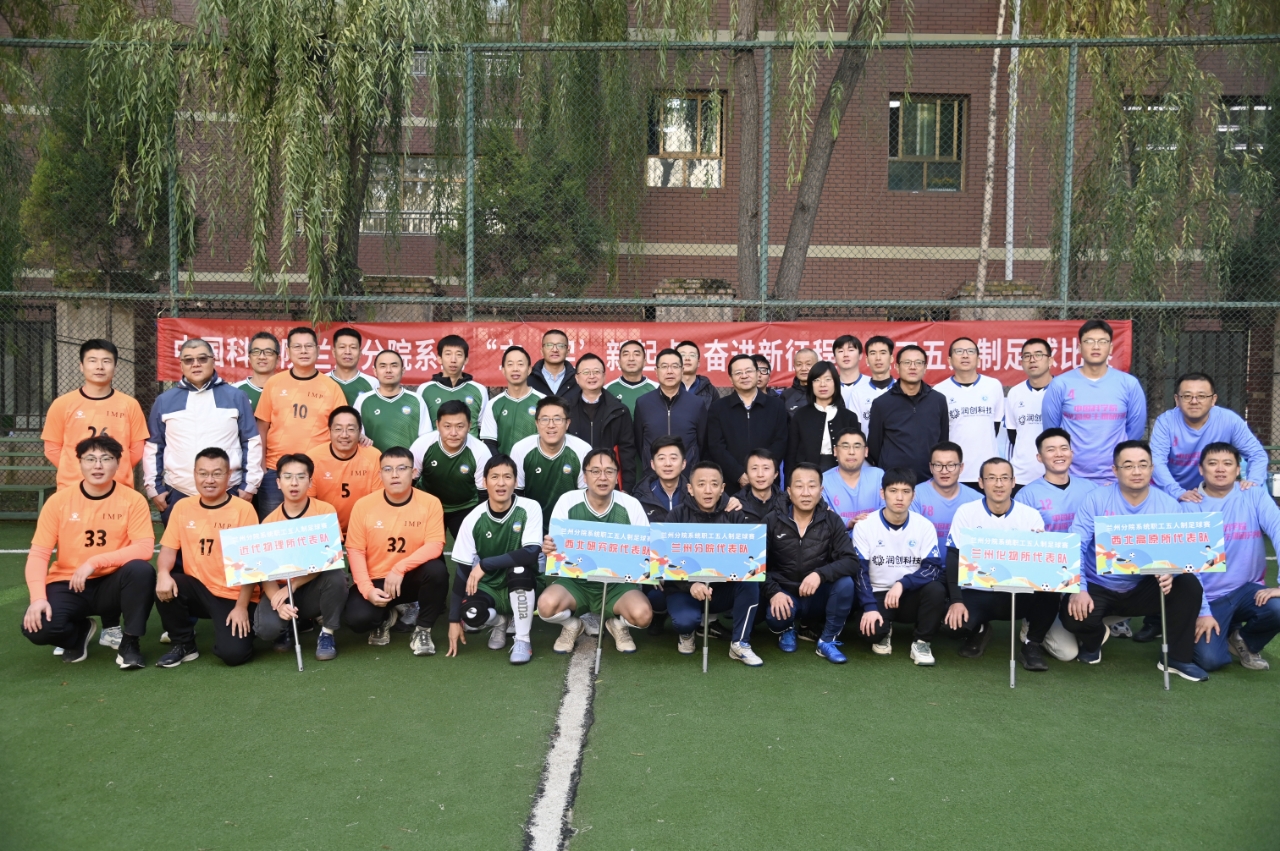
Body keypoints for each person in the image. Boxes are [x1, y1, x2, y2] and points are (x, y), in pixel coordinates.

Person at [1061, 441, 1206, 680]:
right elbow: (1076, 544)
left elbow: (1183, 555)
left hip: (1143, 586)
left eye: (1143, 465)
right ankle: (1094, 639)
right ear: (1115, 470)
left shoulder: (1168, 505)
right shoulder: (1096, 499)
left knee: (1188, 584)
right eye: (1128, 466)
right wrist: (1080, 589)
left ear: (1152, 469)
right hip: (1100, 584)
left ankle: (1177, 658)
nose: (1136, 471)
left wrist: (1172, 571)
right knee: (1074, 617)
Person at [21, 435, 155, 669]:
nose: (98, 465)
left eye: (106, 459)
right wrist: (38, 599)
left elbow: (144, 548)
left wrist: (95, 561)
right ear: (80, 463)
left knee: (141, 570)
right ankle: (79, 633)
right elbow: (39, 554)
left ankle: (130, 643)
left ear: (118, 463)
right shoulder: (58, 502)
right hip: (69, 582)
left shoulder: (133, 500)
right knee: (37, 628)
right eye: (90, 459)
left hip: (112, 583)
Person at [942, 458, 1058, 671]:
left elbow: (1042, 567)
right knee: (951, 628)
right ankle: (979, 630)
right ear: (981, 482)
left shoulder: (1030, 516)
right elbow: (953, 557)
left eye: (1004, 478)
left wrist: (1038, 547)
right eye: (991, 478)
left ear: (1013, 482)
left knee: (1051, 589)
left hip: (1018, 593)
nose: (998, 484)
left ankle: (1032, 644)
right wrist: (956, 601)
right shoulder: (966, 512)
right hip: (977, 590)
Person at [154, 447, 261, 667]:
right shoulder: (182, 507)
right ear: (194, 474)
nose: (209, 480)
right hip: (199, 590)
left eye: (216, 473)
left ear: (228, 476)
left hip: (233, 595)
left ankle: (246, 627)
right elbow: (168, 550)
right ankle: (184, 644)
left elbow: (250, 566)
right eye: (203, 473)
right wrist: (163, 573)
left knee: (233, 655)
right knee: (167, 582)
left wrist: (241, 607)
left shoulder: (243, 509)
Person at [539, 449, 653, 654]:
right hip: (576, 583)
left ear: (617, 476)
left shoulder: (630, 505)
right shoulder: (568, 501)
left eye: (609, 471)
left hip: (618, 585)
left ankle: (618, 625)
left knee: (643, 615)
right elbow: (555, 547)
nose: (602, 477)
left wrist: (652, 565)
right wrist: (549, 548)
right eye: (595, 471)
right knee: (546, 606)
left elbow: (646, 548)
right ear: (585, 476)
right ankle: (572, 625)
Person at [144, 338, 262, 528]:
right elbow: (153, 447)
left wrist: (249, 486)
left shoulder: (236, 396)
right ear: (181, 364)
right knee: (180, 548)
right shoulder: (164, 401)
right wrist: (154, 488)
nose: (196, 364)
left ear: (213, 360)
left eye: (202, 359)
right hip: (179, 492)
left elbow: (252, 442)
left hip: (229, 490)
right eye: (188, 360)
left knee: (228, 548)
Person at [342, 446, 448, 655]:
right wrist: (367, 589)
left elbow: (435, 545)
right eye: (388, 469)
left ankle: (423, 629)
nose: (395, 475)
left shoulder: (430, 503)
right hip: (377, 580)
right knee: (357, 620)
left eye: (402, 468)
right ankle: (387, 615)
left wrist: (400, 568)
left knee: (437, 570)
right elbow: (355, 550)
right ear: (380, 474)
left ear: (414, 472)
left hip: (411, 578)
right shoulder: (363, 505)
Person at [1187, 443, 1280, 672]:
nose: (1220, 469)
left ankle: (1244, 640)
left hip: (1248, 591)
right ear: (1201, 469)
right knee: (1211, 661)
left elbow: (1278, 531)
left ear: (1238, 470)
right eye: (1212, 463)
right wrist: (1203, 611)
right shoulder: (1190, 506)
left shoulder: (1254, 495)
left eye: (1227, 464)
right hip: (1210, 598)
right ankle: (1217, 627)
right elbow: (1190, 567)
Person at [662, 461, 764, 666]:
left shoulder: (734, 513)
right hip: (685, 591)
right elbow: (665, 563)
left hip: (720, 590)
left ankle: (740, 643)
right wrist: (691, 584)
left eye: (714, 484)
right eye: (701, 484)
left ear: (722, 488)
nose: (708, 490)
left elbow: (749, 557)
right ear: (690, 488)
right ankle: (688, 633)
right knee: (684, 621)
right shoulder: (677, 516)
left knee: (751, 579)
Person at [447, 455, 544, 664]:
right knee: (470, 614)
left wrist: (485, 564)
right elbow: (462, 570)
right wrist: (454, 620)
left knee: (519, 570)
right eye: (494, 477)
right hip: (490, 586)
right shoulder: (473, 518)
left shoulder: (530, 508)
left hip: (526, 582)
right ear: (484, 482)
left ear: (516, 482)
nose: (501, 483)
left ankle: (523, 639)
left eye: (507, 477)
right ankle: (500, 622)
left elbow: (530, 553)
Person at [254, 453, 347, 661]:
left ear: (310, 482)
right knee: (265, 629)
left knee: (336, 576)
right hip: (282, 588)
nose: (294, 483)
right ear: (278, 483)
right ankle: (286, 625)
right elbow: (264, 573)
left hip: (312, 586)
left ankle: (327, 633)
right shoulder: (269, 523)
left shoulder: (324, 512)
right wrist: (278, 602)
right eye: (287, 477)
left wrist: (294, 585)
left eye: (301, 477)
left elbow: (330, 559)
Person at [763, 462, 858, 663]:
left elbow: (851, 561)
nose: (806, 493)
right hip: (786, 593)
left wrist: (820, 574)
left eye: (812, 486)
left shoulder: (832, 520)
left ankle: (827, 640)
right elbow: (754, 565)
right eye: (799, 486)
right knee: (775, 616)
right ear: (789, 491)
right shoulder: (772, 520)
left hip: (817, 595)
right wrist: (774, 592)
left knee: (845, 584)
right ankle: (787, 629)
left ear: (821, 491)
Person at [852, 468, 947, 666]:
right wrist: (869, 607)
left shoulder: (924, 526)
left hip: (910, 593)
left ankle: (922, 642)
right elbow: (859, 571)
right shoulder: (865, 526)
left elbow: (933, 568)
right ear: (882, 493)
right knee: (872, 634)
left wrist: (902, 584)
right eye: (893, 491)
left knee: (936, 589)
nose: (899, 497)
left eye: (905, 491)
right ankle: (885, 629)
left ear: (913, 495)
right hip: (878, 593)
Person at [255, 327, 347, 519]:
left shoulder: (331, 387)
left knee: (316, 529)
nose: (303, 351)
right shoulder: (274, 383)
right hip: (276, 471)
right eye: (297, 347)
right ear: (288, 352)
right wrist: (262, 467)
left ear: (318, 350)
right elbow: (261, 427)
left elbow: (342, 428)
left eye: (308, 346)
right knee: (274, 529)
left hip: (318, 472)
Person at [1041, 319, 1146, 484]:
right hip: (1071, 478)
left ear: (1111, 348)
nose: (1096, 347)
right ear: (1079, 347)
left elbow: (1135, 431)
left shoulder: (1129, 384)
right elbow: (1052, 433)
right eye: (1089, 341)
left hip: (1116, 478)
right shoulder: (1060, 384)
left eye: (1102, 341)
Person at [43, 338, 148, 491]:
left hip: (119, 488)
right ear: (81, 366)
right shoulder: (62, 404)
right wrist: (80, 470)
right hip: (72, 488)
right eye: (92, 361)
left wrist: (111, 470)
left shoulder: (130, 404)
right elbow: (52, 449)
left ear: (115, 367)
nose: (99, 366)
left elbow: (137, 450)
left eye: (106, 361)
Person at [1150, 373, 1268, 502]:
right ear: (1177, 400)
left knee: (1257, 491)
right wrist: (1177, 492)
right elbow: (1157, 461)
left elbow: (1257, 454)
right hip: (1171, 492)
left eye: (1201, 396)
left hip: (1214, 491)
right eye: (1187, 396)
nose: (1194, 401)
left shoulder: (1229, 420)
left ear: (1213, 400)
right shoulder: (1166, 422)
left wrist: (1253, 482)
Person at [867, 345, 949, 484]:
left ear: (925, 368)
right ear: (897, 367)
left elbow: (943, 440)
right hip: (894, 481)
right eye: (907, 362)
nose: (913, 367)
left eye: (918, 363)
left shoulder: (938, 400)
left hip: (930, 480)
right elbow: (874, 446)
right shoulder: (881, 403)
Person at [410, 399, 491, 539]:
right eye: (447, 426)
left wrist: (478, 520)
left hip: (464, 507)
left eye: (460, 426)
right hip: (428, 507)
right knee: (424, 549)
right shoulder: (422, 444)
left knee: (469, 550)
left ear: (469, 426)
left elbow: (484, 494)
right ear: (437, 425)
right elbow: (409, 481)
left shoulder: (481, 451)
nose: (453, 433)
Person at [707, 354, 789, 491]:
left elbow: (780, 442)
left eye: (748, 371)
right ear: (730, 378)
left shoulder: (777, 405)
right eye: (738, 373)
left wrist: (762, 472)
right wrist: (738, 474)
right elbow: (716, 446)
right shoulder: (718, 408)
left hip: (768, 483)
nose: (744, 376)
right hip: (731, 484)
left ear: (757, 374)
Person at [511, 396, 593, 532]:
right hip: (531, 526)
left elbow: (584, 498)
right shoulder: (521, 449)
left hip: (569, 528)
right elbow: (517, 495)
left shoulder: (582, 450)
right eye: (544, 419)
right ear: (537, 423)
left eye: (557, 419)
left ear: (567, 423)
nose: (551, 425)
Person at [932, 338, 1004, 486]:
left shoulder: (993, 386)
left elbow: (995, 426)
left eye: (970, 351)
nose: (965, 355)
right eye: (959, 351)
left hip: (988, 472)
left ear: (978, 359)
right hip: (953, 472)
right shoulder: (939, 391)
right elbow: (938, 434)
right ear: (949, 360)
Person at [564, 353, 638, 492]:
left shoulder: (619, 411)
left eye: (596, 372)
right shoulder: (565, 409)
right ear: (577, 378)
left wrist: (627, 488)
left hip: (608, 482)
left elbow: (627, 453)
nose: (592, 376)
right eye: (586, 372)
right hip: (573, 482)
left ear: (604, 376)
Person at [306, 406, 383, 533]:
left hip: (363, 530)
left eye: (351, 429)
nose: (344, 435)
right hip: (324, 531)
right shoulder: (313, 458)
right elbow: (309, 503)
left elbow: (377, 501)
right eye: (338, 429)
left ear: (360, 431)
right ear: (329, 431)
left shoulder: (373, 456)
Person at [634, 348, 708, 469]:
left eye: (675, 366)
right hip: (653, 474)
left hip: (687, 474)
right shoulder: (643, 403)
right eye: (664, 366)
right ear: (656, 371)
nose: (670, 371)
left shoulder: (697, 404)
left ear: (682, 370)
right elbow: (639, 443)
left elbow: (702, 443)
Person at [1014, 428, 1098, 533]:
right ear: (1039, 457)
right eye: (1051, 450)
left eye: (1064, 448)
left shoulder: (1091, 489)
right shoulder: (1026, 496)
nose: (1059, 454)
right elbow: (1019, 535)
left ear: (1071, 453)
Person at [787, 361, 861, 473]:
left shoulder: (849, 417)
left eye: (828, 379)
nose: (822, 384)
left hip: (841, 472)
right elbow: (791, 453)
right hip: (807, 472)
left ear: (835, 383)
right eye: (817, 380)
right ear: (811, 385)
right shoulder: (800, 415)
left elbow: (856, 450)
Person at [352, 349, 430, 452]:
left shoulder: (416, 400)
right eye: (383, 366)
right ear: (375, 371)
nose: (388, 370)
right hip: (374, 461)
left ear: (403, 370)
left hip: (408, 462)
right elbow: (356, 434)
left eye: (394, 366)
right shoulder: (363, 401)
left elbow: (425, 439)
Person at [909, 442, 983, 546]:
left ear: (961, 467)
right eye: (938, 465)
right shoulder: (914, 496)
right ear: (931, 467)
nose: (944, 471)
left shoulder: (977, 499)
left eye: (951, 465)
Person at [417, 334, 489, 437]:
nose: (453, 360)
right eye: (448, 354)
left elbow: (483, 427)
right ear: (439, 358)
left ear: (466, 360)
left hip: (470, 447)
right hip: (435, 446)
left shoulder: (479, 390)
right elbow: (421, 427)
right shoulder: (425, 390)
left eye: (459, 354)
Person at [1005, 338, 1054, 488]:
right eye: (1027, 356)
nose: (1032, 360)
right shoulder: (1015, 393)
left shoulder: (1062, 390)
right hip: (1021, 477)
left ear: (1050, 360)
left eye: (1038, 355)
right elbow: (1012, 436)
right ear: (1021, 362)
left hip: (1056, 474)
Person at [480, 345, 545, 455]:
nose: (515, 369)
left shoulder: (543, 401)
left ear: (529, 370)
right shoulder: (493, 404)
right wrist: (502, 464)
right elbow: (490, 443)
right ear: (503, 370)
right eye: (510, 364)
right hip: (503, 465)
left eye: (520, 364)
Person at [822, 427, 884, 530]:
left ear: (866, 451)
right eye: (845, 446)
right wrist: (848, 522)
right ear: (835, 451)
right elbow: (823, 516)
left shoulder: (879, 476)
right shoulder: (823, 481)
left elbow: (889, 509)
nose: (851, 452)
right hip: (838, 538)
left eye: (857, 446)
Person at [633, 435, 691, 523]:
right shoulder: (640, 497)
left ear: (683, 463)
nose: (667, 463)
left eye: (673, 458)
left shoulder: (694, 495)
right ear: (653, 464)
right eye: (661, 458)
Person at [848, 335, 895, 432]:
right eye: (873, 353)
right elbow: (854, 430)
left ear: (891, 358)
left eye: (883, 353)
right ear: (867, 359)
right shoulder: (857, 393)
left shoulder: (903, 389)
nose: (878, 358)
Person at [732, 448, 787, 523]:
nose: (760, 474)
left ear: (776, 474)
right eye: (754, 468)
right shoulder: (735, 504)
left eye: (766, 468)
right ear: (747, 474)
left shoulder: (786, 503)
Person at [605, 339, 657, 415]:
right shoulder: (607, 389)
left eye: (636, 354)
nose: (631, 358)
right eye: (626, 354)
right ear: (619, 362)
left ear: (644, 362)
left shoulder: (656, 388)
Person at [327, 327, 377, 405]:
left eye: (353, 347)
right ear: (334, 352)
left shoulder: (373, 383)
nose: (347, 352)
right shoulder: (323, 381)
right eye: (342, 347)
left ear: (360, 353)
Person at [232, 331, 281, 408]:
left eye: (268, 352)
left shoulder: (288, 390)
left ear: (278, 359)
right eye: (256, 352)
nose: (262, 357)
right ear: (249, 358)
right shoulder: (234, 390)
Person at [528, 328, 577, 397]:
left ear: (567, 352)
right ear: (542, 351)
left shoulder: (578, 378)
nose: (555, 350)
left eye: (560, 346)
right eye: (549, 345)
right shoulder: (529, 378)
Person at [676, 340, 718, 410]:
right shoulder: (667, 387)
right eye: (682, 355)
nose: (687, 358)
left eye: (692, 355)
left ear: (698, 363)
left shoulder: (710, 390)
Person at [781, 347, 819, 415]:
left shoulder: (824, 391)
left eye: (808, 364)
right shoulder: (786, 395)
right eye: (799, 364)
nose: (803, 368)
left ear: (817, 366)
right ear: (794, 367)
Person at [833, 334, 865, 410]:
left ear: (860, 355)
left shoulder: (870, 383)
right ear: (835, 357)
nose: (846, 355)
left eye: (851, 350)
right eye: (840, 351)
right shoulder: (829, 386)